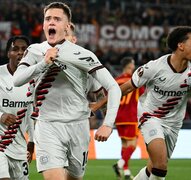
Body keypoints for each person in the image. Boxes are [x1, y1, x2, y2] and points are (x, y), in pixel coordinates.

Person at [13, 2, 121, 180]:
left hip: (78, 126)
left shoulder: (83, 55)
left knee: (75, 177)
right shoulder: (35, 50)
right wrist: (44, 63)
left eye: (57, 19)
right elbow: (17, 80)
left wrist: (108, 124)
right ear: (44, 24)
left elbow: (113, 87)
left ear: (67, 26)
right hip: (47, 126)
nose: (51, 22)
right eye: (48, 19)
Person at [91, 26, 191, 180]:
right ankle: (123, 165)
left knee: (153, 166)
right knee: (161, 166)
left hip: (173, 124)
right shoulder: (155, 67)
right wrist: (99, 104)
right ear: (181, 45)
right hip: (150, 117)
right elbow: (125, 88)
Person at [0, 35, 34, 180]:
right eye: (15, 49)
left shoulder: (33, 79)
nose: (20, 52)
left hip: (19, 146)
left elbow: (31, 112)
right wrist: (1, 116)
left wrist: (31, 141)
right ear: (8, 53)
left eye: (24, 49)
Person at [112, 57, 144, 180]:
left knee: (124, 145)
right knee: (133, 145)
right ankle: (119, 164)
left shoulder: (116, 81)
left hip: (118, 117)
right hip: (130, 116)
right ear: (130, 66)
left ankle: (125, 172)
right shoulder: (134, 81)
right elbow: (142, 93)